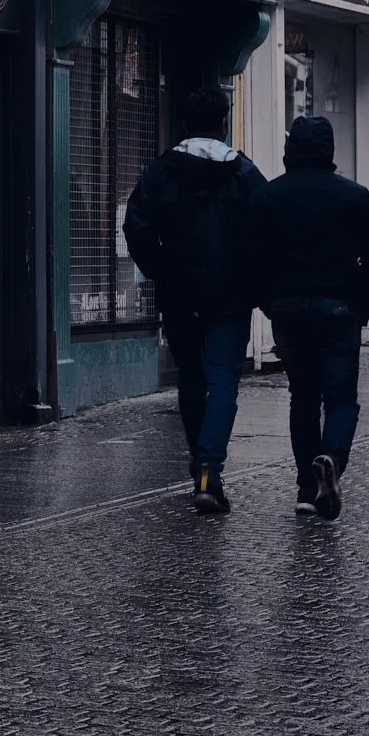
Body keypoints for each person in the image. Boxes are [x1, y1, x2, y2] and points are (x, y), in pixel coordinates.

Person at [123, 85, 265, 514]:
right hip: (230, 294)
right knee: (223, 379)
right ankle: (209, 468)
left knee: (191, 379)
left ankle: (202, 464)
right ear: (223, 123)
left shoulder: (161, 171)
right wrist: (254, 280)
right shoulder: (243, 174)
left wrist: (161, 269)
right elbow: (266, 232)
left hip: (180, 293)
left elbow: (137, 227)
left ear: (185, 123)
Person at [244, 114, 369, 520]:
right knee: (341, 401)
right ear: (330, 151)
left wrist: (267, 301)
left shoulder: (268, 197)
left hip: (288, 308)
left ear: (290, 151)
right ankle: (331, 460)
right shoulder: (354, 196)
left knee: (303, 399)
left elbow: (251, 259)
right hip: (338, 307)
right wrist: (363, 306)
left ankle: (308, 490)